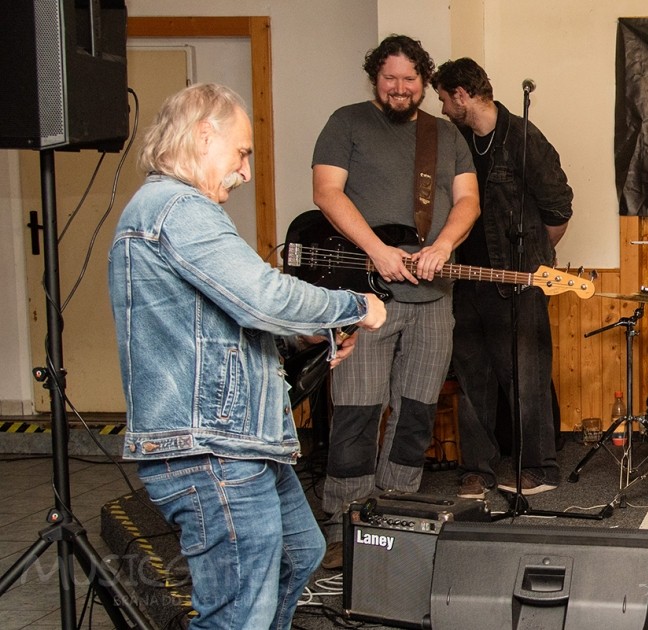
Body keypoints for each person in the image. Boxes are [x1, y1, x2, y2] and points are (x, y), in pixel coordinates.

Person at [108, 83, 386, 629]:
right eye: (241, 153)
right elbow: (263, 296)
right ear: (203, 135)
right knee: (239, 613)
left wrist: (309, 337)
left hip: (238, 442)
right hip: (212, 450)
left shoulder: (173, 210)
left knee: (298, 554)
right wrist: (354, 304)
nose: (246, 171)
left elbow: (225, 325)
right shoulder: (177, 207)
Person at [311, 35, 479, 569]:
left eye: (410, 79)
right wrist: (376, 250)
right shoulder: (346, 122)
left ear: (425, 82)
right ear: (374, 78)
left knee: (416, 412)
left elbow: (469, 200)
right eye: (390, 78)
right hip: (364, 296)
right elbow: (326, 192)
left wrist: (444, 245)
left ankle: (395, 512)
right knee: (357, 410)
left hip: (433, 296)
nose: (400, 88)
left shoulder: (445, 134)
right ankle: (345, 524)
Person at [431, 58, 574, 498]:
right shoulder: (454, 142)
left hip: (518, 279)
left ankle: (539, 467)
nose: (442, 109)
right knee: (472, 378)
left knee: (526, 377)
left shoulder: (524, 138)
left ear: (461, 95)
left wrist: (533, 259)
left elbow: (558, 209)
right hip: (464, 277)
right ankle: (478, 469)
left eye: (444, 99)